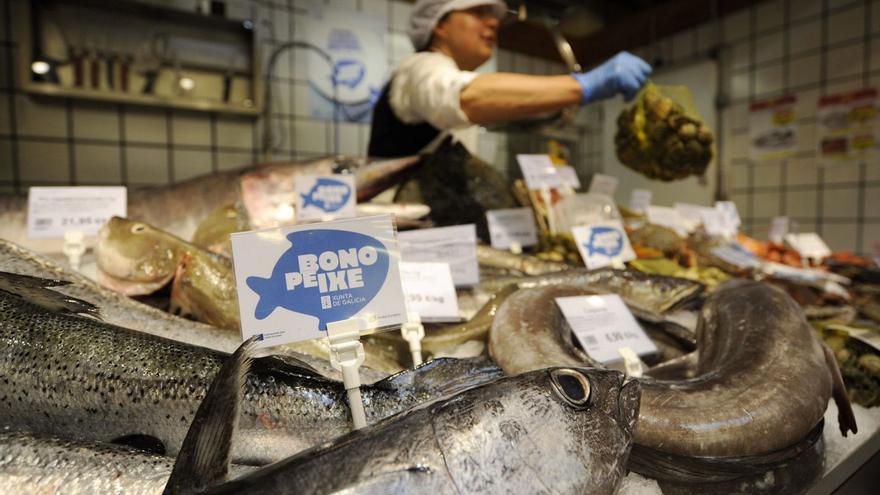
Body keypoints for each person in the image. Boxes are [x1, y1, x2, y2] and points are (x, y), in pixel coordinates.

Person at [367, 0, 652, 158]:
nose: (493, 22)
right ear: (439, 25)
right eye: (478, 11)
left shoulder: (449, 72)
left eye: (492, 15)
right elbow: (464, 97)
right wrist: (582, 85)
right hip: (399, 236)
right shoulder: (420, 67)